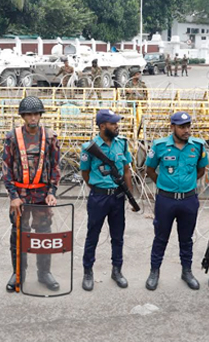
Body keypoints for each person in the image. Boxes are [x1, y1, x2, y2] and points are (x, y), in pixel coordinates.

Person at [2, 96, 61, 292]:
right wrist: (13, 196)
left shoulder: (50, 136)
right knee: (18, 234)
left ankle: (44, 273)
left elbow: (55, 167)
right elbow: (7, 169)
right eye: (29, 114)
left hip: (42, 195)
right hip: (20, 196)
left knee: (44, 234)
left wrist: (52, 192)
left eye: (36, 114)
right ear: (23, 116)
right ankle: (18, 272)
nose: (33, 118)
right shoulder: (12, 137)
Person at [145, 112, 208, 291]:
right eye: (181, 127)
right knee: (160, 237)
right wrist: (164, 184)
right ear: (172, 127)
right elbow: (150, 169)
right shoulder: (159, 146)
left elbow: (201, 170)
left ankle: (186, 271)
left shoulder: (198, 146)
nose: (186, 130)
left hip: (188, 200)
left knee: (186, 239)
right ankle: (154, 271)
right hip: (166, 200)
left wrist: (187, 184)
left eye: (188, 126)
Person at [80, 109, 134, 291]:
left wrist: (130, 195)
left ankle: (117, 270)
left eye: (117, 123)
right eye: (112, 123)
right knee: (92, 235)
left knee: (118, 236)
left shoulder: (122, 144)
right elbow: (85, 173)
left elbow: (126, 170)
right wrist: (98, 187)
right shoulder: (89, 147)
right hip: (99, 197)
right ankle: (88, 271)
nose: (116, 126)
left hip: (118, 197)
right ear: (102, 126)